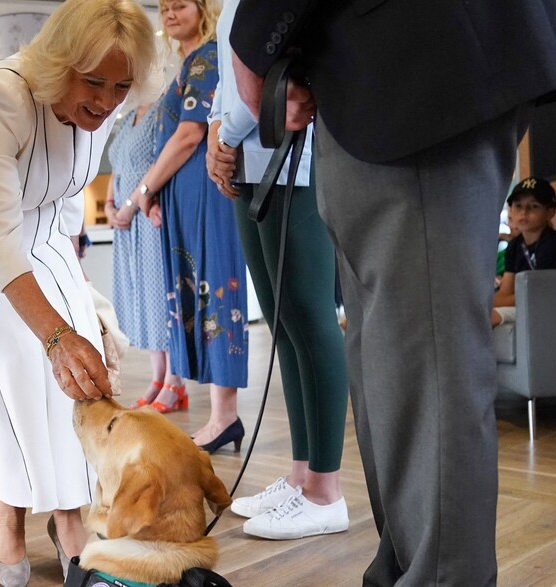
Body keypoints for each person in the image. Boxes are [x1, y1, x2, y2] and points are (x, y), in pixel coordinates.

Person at [229, 1, 556, 584]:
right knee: (387, 362)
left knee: (423, 365)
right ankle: (406, 570)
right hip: (375, 72)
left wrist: (253, 40)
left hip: (414, 61)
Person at [0, 1, 156, 585]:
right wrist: (56, 334)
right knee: (16, 365)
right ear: (59, 64)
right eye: (93, 82)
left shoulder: (103, 107)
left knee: (84, 372)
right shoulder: (0, 97)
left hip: (39, 234)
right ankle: (12, 515)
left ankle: (70, 514)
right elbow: (0, 239)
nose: (106, 99)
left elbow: (64, 206)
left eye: (121, 86)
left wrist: (80, 305)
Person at [205, 0, 349, 540]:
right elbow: (231, 76)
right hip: (251, 156)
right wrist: (222, 133)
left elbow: (279, 77)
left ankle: (326, 490)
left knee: (309, 316)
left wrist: (225, 133)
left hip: (296, 153)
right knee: (282, 320)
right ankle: (300, 476)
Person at [135, 0, 250, 453]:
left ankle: (225, 417)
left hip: (206, 194)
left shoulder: (207, 55)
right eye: (162, 7)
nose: (168, 13)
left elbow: (190, 134)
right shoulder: (191, 61)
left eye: (179, 4)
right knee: (194, 295)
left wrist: (145, 188)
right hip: (186, 197)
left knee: (216, 291)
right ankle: (219, 415)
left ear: (203, 8)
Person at [105, 99, 178, 409]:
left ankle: (175, 381)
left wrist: (130, 205)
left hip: (148, 216)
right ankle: (158, 377)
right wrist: (109, 205)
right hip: (125, 223)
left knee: (161, 299)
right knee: (142, 300)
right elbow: (117, 167)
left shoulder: (164, 111)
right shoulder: (129, 116)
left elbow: (159, 165)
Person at [492, 177, 556, 326]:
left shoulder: (554, 246)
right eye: (518, 206)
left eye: (534, 206)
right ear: (510, 210)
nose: (524, 212)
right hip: (529, 305)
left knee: (490, 316)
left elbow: (539, 296)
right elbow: (505, 292)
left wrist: (495, 303)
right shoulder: (515, 245)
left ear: (550, 212)